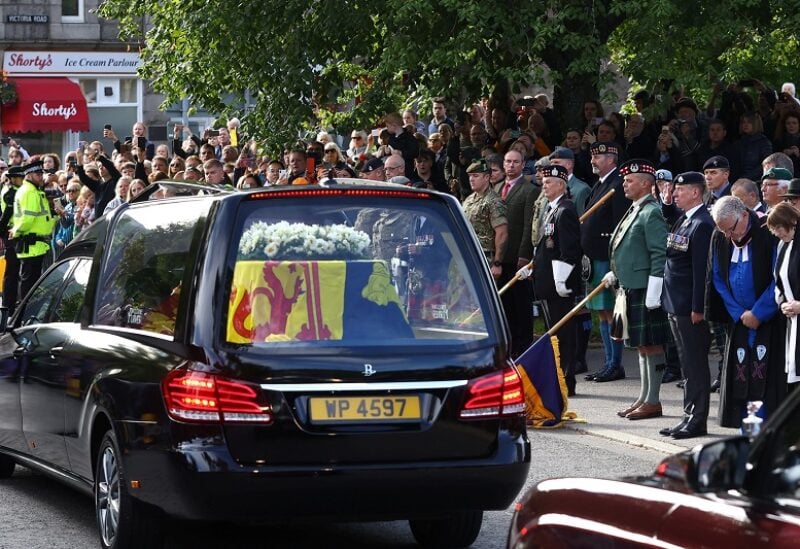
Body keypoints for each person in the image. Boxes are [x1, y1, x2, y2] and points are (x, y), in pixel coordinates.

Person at [708, 196, 784, 427]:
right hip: (740, 321)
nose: (730, 236)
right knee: (744, 381)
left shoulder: (766, 231)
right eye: (724, 232)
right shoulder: (721, 236)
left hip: (768, 322)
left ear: (743, 215)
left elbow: (778, 276)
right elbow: (718, 277)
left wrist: (758, 313)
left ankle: (765, 434)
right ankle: (748, 430)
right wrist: (739, 312)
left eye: (732, 229)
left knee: (764, 382)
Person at [602, 159, 669, 420]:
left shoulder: (651, 211)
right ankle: (644, 397)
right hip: (630, 286)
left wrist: (655, 289)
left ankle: (653, 401)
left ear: (645, 183)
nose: (624, 185)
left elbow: (658, 253)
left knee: (651, 345)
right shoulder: (635, 209)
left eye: (629, 181)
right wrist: (615, 271)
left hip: (644, 288)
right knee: (641, 345)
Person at [659, 171, 716, 438]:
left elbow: (700, 271)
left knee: (695, 365)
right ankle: (688, 415)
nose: (674, 194)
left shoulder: (703, 223)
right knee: (686, 365)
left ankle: (697, 420)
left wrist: (698, 307)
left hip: (688, 306)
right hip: (675, 302)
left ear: (695, 192)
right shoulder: (684, 219)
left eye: (679, 190)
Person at [525, 164, 582, 395]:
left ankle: (566, 381)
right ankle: (558, 377)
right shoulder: (551, 208)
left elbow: (569, 250)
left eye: (549, 182)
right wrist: (533, 265)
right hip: (547, 281)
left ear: (561, 184)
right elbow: (545, 246)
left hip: (560, 284)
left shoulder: (565, 210)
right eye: (544, 181)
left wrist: (561, 279)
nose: (544, 185)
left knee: (564, 333)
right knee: (553, 333)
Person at [582, 142, 631, 382]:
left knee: (612, 313)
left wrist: (615, 264)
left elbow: (619, 226)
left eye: (598, 156)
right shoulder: (600, 184)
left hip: (607, 258)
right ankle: (608, 362)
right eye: (592, 156)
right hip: (594, 257)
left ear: (612, 158)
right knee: (601, 313)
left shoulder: (617, 186)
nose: (593, 160)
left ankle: (616, 363)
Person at [500, 149, 536, 357]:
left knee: (520, 304)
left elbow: (528, 224)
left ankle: (523, 347)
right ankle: (509, 345)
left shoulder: (529, 190)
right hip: (500, 257)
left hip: (517, 256)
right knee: (505, 304)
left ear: (523, 165)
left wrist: (524, 255)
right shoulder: (496, 188)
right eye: (508, 161)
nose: (511, 165)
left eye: (515, 162)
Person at [10, 160, 56, 300]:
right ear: (28, 175)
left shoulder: (33, 191)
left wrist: (54, 216)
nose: (41, 176)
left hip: (35, 244)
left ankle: (25, 315)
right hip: (31, 244)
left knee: (31, 283)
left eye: (41, 173)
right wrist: (16, 231)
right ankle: (23, 317)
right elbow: (27, 219)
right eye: (37, 174)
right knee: (29, 284)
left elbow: (40, 218)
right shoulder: (29, 192)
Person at [768, 202, 800, 395]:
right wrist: (782, 303)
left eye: (779, 227)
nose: (777, 233)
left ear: (793, 222)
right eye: (773, 229)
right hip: (792, 321)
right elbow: (779, 280)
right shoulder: (784, 245)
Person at [461, 159, 508, 280]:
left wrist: (497, 263)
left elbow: (502, 233)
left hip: (485, 257)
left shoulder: (494, 201)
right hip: (468, 253)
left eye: (475, 176)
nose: (471, 179)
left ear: (487, 177)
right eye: (470, 176)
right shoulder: (469, 200)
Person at [0, 166, 24, 311]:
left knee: (13, 271)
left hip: (13, 232)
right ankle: (9, 305)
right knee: (12, 271)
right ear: (14, 178)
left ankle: (10, 303)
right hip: (11, 233)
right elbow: (6, 214)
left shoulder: (11, 190)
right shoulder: (11, 192)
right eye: (21, 177)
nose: (23, 180)